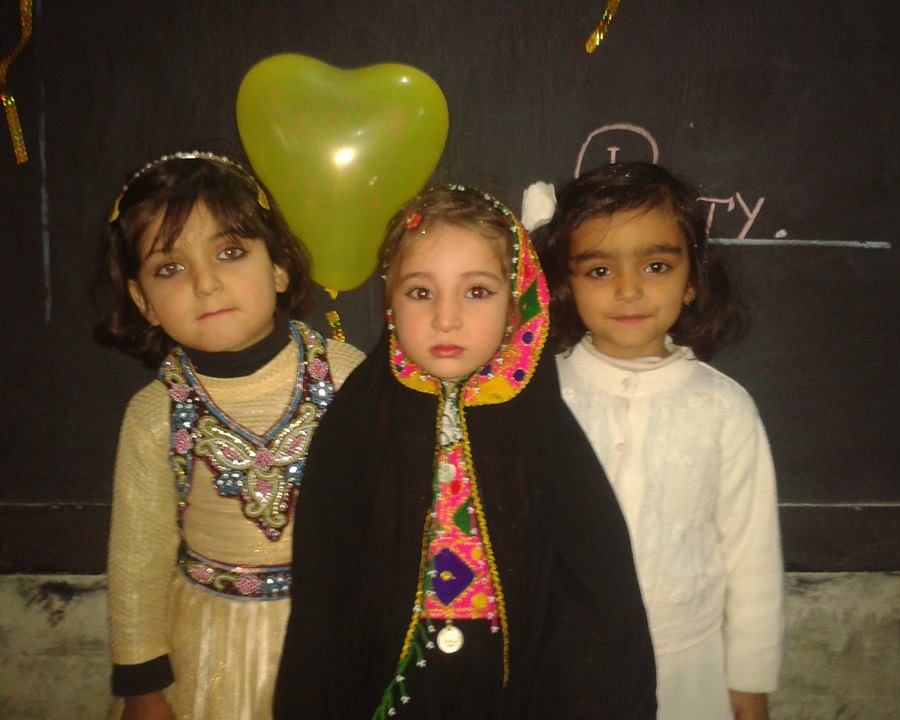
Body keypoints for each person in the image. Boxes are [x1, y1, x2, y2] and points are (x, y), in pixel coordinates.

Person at [274, 185, 657, 720]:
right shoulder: (357, 424)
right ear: (390, 303)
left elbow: (596, 588)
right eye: (420, 292)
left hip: (511, 689)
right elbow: (325, 587)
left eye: (476, 291)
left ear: (515, 303)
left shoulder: (541, 429)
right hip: (387, 684)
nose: (446, 318)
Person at [95, 151, 365, 720]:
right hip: (208, 648)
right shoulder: (154, 415)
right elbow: (138, 561)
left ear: (279, 267)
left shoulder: (347, 378)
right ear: (143, 301)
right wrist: (143, 688)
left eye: (230, 253)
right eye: (170, 268)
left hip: (335, 637)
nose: (206, 283)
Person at [533, 162, 783, 720]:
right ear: (569, 284)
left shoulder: (723, 408)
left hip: (689, 668)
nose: (629, 290)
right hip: (565, 666)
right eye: (600, 270)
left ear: (692, 279)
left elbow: (752, 556)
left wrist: (749, 683)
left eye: (656, 265)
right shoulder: (541, 398)